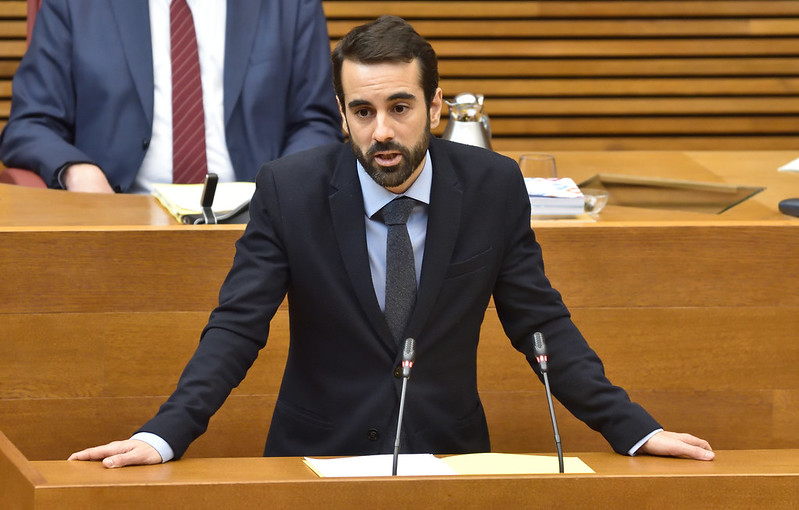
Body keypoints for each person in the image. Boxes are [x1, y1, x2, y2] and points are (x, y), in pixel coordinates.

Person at [69, 15, 714, 468]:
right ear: (342, 112)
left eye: (400, 108)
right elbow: (238, 327)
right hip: (315, 459)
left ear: (436, 108)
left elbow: (540, 325)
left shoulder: (491, 187)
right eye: (363, 111)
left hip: (450, 459)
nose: (382, 131)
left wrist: (633, 429)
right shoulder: (289, 190)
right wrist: (164, 435)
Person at [0, 0, 342, 193]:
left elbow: (314, 120)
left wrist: (278, 192)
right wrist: (77, 171)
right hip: (118, 217)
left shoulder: (290, 6)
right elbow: (31, 124)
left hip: (255, 222)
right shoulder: (75, 6)